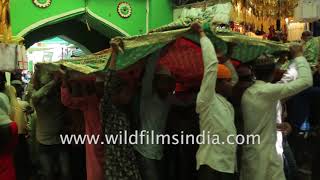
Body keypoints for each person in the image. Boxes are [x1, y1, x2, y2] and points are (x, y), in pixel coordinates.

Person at [240, 51, 312, 180]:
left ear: (254, 72)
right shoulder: (266, 92)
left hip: (257, 156)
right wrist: (299, 56)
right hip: (264, 157)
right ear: (273, 73)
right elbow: (307, 81)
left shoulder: (251, 92)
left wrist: (275, 125)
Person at [193, 23, 237, 180]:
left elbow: (235, 78)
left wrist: (227, 56)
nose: (232, 84)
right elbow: (211, 66)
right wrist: (202, 35)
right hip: (211, 168)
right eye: (227, 81)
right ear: (217, 83)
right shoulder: (207, 99)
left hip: (228, 167)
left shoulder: (227, 105)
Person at [102, 38, 141, 179]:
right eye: (126, 92)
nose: (130, 96)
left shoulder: (125, 112)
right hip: (115, 168)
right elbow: (109, 81)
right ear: (117, 93)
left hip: (127, 165)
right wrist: (114, 53)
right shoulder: (109, 110)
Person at [133, 48, 176, 179]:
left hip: (157, 153)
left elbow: (189, 101)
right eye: (162, 80)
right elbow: (150, 71)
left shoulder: (168, 100)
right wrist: (158, 47)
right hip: (144, 151)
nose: (164, 84)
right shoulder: (148, 96)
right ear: (155, 82)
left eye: (167, 81)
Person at [60, 71, 104, 180]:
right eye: (98, 85)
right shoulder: (90, 101)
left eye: (102, 85)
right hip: (94, 147)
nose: (100, 88)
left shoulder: (113, 102)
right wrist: (64, 83)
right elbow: (67, 101)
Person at [31, 65, 70, 180]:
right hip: (44, 142)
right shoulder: (37, 97)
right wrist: (54, 81)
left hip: (59, 140)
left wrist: (60, 79)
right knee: (49, 174)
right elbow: (35, 95)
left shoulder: (59, 95)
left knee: (65, 173)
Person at [0, 72, 18, 180]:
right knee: (7, 159)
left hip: (7, 128)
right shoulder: (3, 96)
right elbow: (10, 113)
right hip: (9, 127)